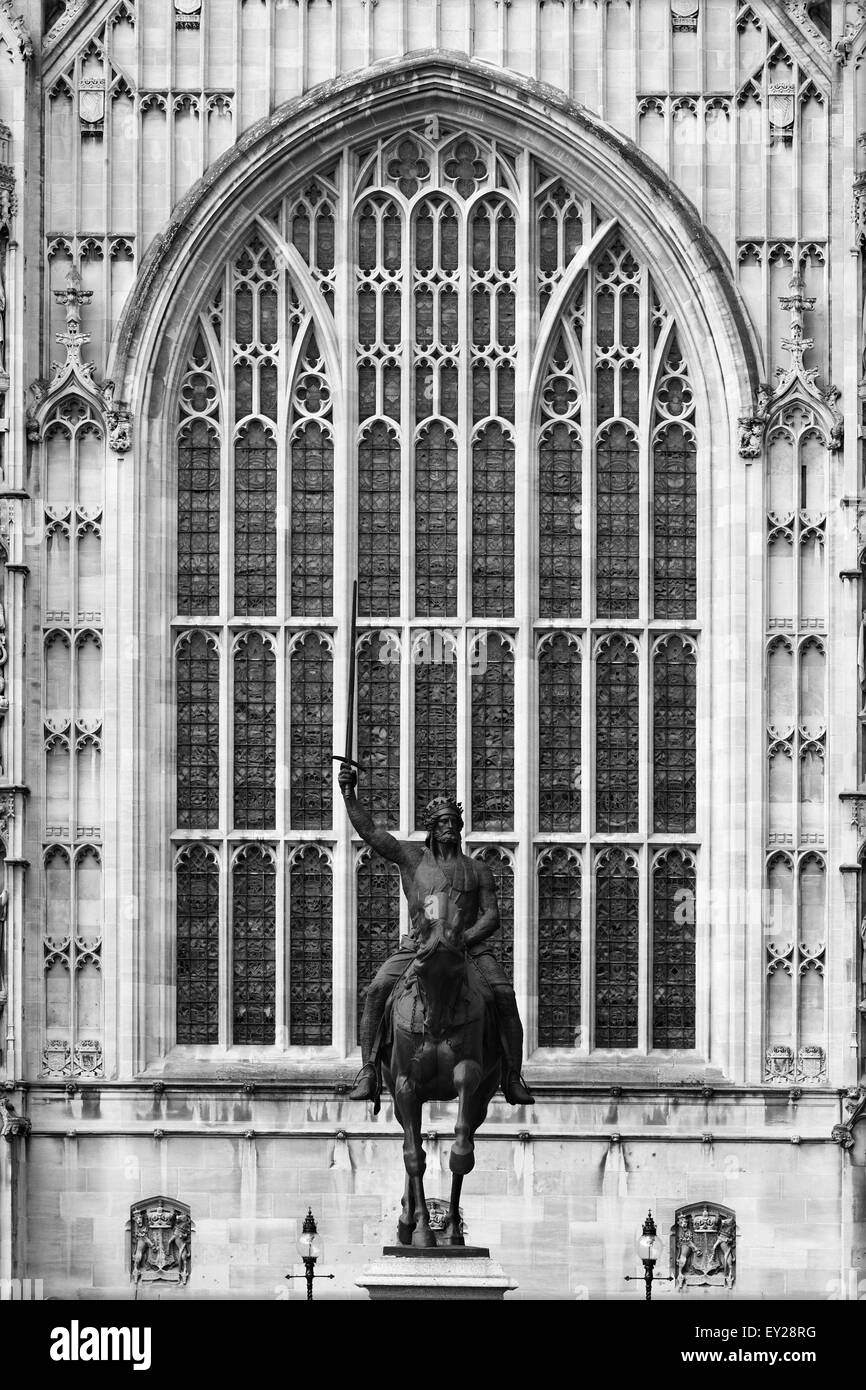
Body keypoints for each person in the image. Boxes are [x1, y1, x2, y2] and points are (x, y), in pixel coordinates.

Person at [338, 763, 534, 1106]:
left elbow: (492, 915)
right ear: (432, 828)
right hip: (419, 946)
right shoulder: (413, 858)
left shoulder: (477, 869)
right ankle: (369, 1070)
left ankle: (512, 1076)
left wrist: (464, 938)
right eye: (443, 822)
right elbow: (371, 833)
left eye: (455, 823)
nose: (450, 828)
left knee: (504, 995)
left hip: (470, 948)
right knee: (376, 991)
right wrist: (348, 794)